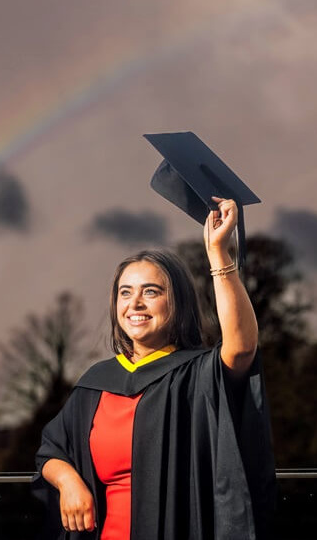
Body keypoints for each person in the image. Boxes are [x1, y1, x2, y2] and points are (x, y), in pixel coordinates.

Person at [32, 197, 276, 539]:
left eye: (151, 292)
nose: (135, 304)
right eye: (125, 293)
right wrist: (69, 481)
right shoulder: (96, 384)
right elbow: (51, 450)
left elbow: (241, 347)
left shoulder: (195, 376)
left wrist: (220, 255)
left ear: (176, 303)